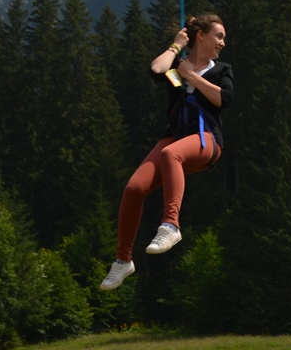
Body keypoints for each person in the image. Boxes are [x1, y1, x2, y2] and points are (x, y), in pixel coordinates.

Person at [100, 14, 233, 291]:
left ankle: (171, 225)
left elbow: (223, 99)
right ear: (201, 36)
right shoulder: (178, 66)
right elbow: (156, 70)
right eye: (218, 36)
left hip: (206, 139)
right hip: (174, 138)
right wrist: (176, 46)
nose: (222, 42)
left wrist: (191, 76)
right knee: (135, 188)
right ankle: (123, 260)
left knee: (170, 154)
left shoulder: (220, 69)